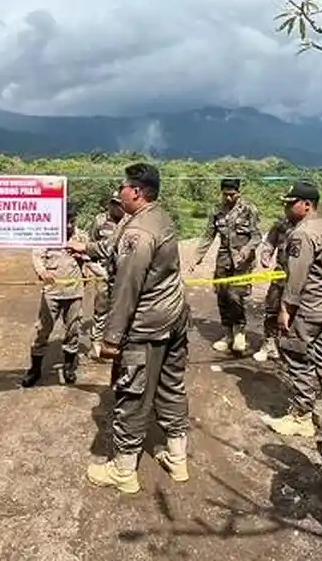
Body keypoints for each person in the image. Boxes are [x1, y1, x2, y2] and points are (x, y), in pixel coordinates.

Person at [68, 162, 191, 494]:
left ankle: (123, 470)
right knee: (170, 385)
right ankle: (177, 458)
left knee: (132, 392)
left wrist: (111, 338)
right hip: (172, 316)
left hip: (146, 324)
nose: (118, 191)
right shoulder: (153, 216)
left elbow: (126, 289)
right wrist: (86, 248)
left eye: (123, 186)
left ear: (136, 191)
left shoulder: (138, 232)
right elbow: (112, 249)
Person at [263, 180, 322, 437]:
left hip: (306, 308)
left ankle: (301, 416)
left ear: (307, 205)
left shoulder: (302, 233)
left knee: (297, 357)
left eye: (291, 204)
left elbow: (296, 278)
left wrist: (285, 309)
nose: (287, 209)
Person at [189, 178, 261, 355]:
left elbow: (257, 236)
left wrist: (246, 249)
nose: (228, 198)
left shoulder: (249, 209)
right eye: (225, 194)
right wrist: (196, 258)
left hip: (242, 262)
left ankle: (239, 331)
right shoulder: (216, 210)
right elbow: (208, 236)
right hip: (223, 260)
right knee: (222, 295)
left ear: (238, 192)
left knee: (235, 295)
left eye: (232, 194)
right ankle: (227, 333)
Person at [22, 201, 88, 387]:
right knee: (43, 330)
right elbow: (36, 255)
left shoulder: (81, 236)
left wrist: (83, 257)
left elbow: (92, 255)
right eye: (65, 220)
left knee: (73, 330)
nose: (68, 225)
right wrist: (42, 271)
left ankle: (68, 368)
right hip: (52, 292)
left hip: (74, 291)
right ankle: (35, 370)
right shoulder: (48, 234)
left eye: (72, 220)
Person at [85, 191, 125, 359]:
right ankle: (96, 344)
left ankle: (116, 344)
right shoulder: (100, 221)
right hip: (102, 272)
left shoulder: (129, 222)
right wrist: (94, 268)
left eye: (120, 203)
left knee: (121, 310)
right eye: (114, 203)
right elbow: (90, 246)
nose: (117, 206)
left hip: (122, 274)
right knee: (101, 309)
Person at [254, 215, 292, 363]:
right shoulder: (281, 224)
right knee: (272, 308)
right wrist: (266, 255)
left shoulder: (309, 227)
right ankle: (269, 344)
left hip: (300, 279)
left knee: (295, 312)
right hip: (280, 275)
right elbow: (270, 242)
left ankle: (288, 347)